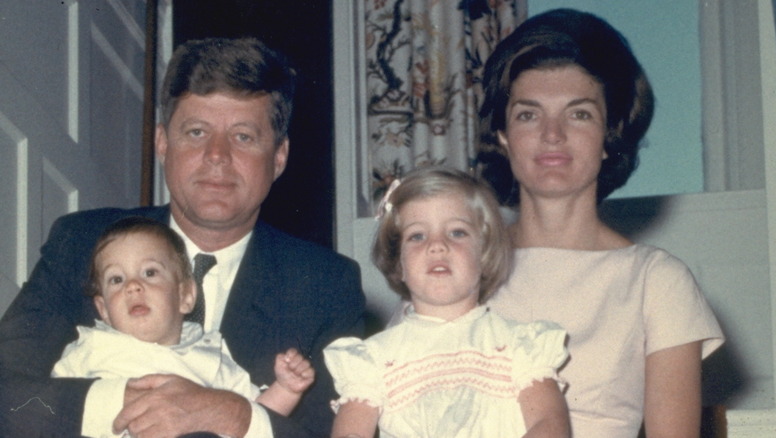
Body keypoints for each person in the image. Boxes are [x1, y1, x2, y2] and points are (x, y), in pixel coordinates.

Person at [0, 37, 365, 438]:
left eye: (243, 136)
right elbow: (7, 390)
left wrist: (236, 415)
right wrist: (120, 401)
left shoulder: (325, 286)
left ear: (279, 157)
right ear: (162, 143)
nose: (217, 155)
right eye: (195, 132)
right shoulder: (82, 243)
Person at [477, 8, 724, 437]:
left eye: (579, 114)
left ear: (610, 135)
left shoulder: (656, 281)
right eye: (528, 114)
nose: (552, 134)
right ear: (502, 135)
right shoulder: (461, 265)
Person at [324, 167, 570, 438]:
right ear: (399, 264)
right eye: (417, 236)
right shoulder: (375, 359)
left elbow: (549, 426)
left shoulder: (519, 346)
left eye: (456, 232)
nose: (437, 245)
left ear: (484, 254)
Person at [51, 216, 315, 437]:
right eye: (116, 279)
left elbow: (253, 415)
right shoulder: (91, 347)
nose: (132, 286)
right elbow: (54, 409)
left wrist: (286, 389)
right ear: (104, 310)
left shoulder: (212, 355)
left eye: (150, 272)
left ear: (186, 296)